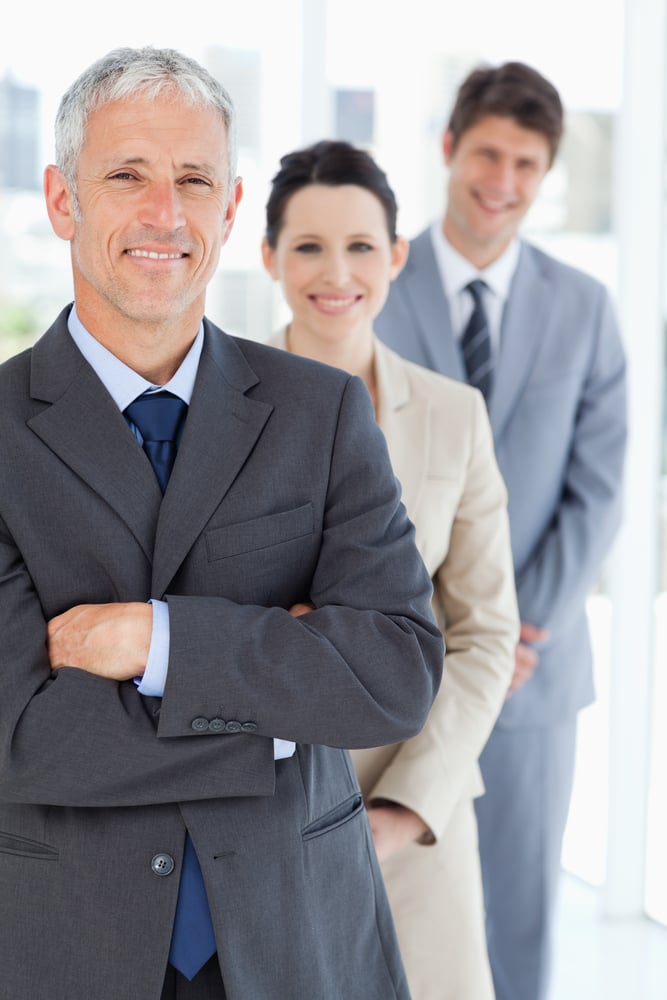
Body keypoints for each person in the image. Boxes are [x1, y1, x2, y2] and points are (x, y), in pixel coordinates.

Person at [0, 48, 445, 1000]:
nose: (165, 213)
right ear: (62, 199)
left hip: (299, 939)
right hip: (66, 947)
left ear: (231, 208)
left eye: (194, 180)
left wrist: (154, 642)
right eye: (127, 175)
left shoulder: (320, 414)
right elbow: (24, 734)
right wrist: (286, 714)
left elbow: (398, 674)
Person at [375, 61, 628, 1000]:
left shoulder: (584, 307)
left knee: (519, 920)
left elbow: (597, 488)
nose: (504, 181)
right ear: (448, 150)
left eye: (528, 163)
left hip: (532, 672)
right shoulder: (373, 283)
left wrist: (519, 626)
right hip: (396, 663)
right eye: (487, 153)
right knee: (391, 908)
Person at [261, 138, 519, 1000]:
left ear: (397, 255)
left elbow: (484, 632)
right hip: (260, 816)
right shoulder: (209, 413)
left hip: (414, 816)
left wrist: (404, 810)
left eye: (361, 245)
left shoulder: (455, 417)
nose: (336, 271)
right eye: (307, 245)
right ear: (267, 258)